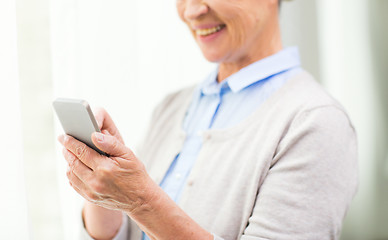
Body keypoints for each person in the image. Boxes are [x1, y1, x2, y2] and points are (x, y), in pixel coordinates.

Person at [58, 0, 358, 239]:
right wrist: (102, 190)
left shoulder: (316, 123)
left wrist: (139, 200)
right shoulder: (172, 107)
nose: (192, 10)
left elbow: (145, 206)